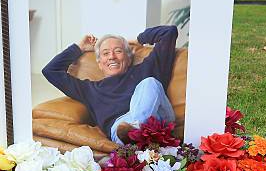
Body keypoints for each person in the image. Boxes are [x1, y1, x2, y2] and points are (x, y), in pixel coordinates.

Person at [42, 25, 178, 144]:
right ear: (100, 63)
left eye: (118, 51)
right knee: (121, 127)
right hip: (120, 128)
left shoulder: (147, 68)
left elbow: (169, 32)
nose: (112, 56)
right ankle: (134, 132)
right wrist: (79, 47)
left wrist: (136, 40)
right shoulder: (90, 90)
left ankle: (136, 128)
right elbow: (50, 71)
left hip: (157, 119)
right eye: (105, 53)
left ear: (128, 57)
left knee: (150, 82)